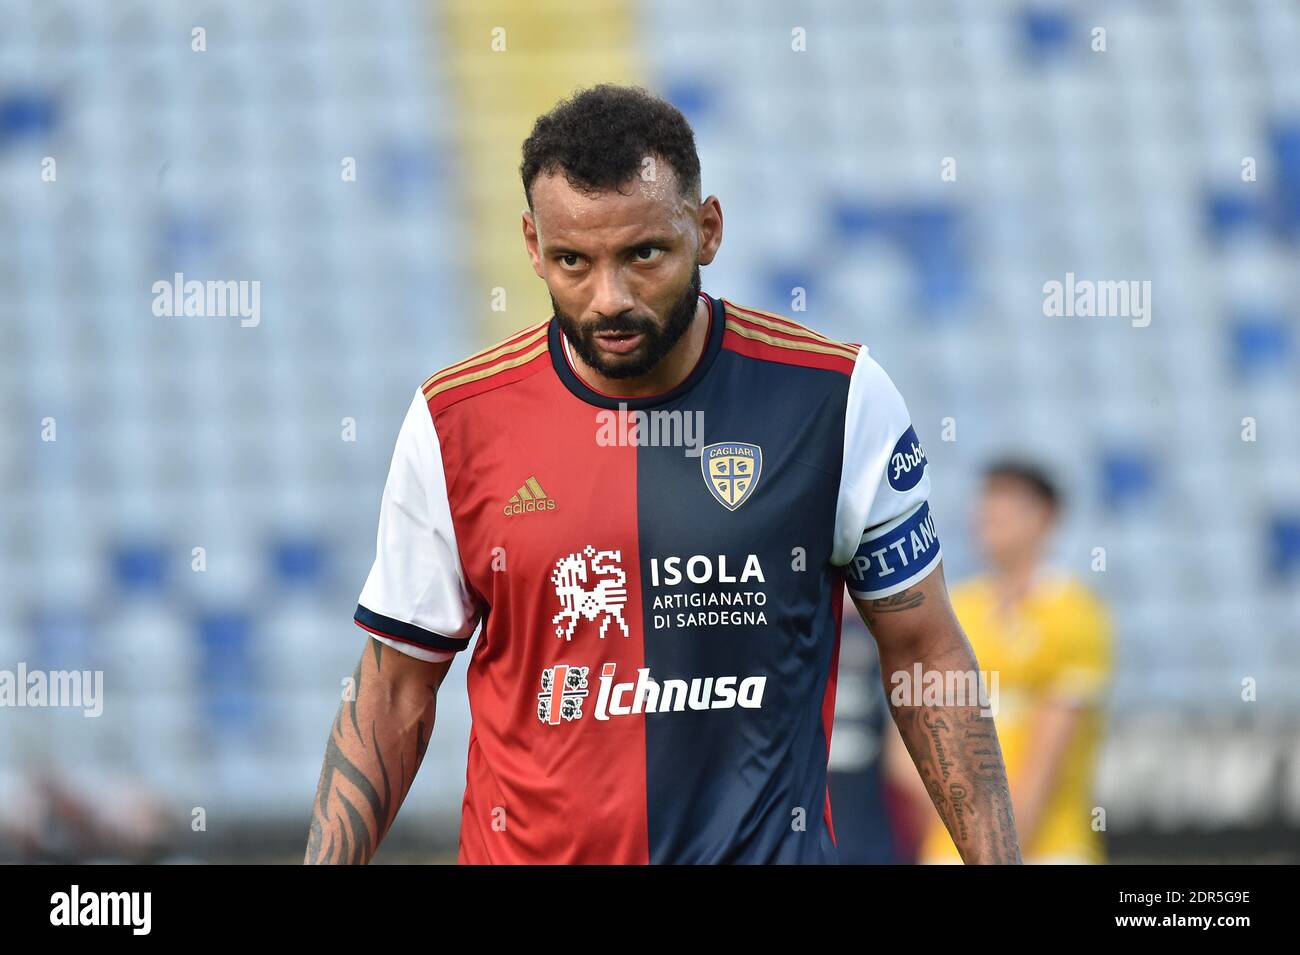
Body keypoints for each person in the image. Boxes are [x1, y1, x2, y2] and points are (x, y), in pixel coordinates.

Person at [305, 84, 1020, 864]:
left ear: (707, 229)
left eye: (644, 254)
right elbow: (395, 688)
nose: (609, 298)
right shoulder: (454, 422)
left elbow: (923, 650)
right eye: (574, 261)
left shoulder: (837, 399)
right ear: (533, 247)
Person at [909, 460, 1113, 864]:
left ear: (1045, 517)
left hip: (1048, 848)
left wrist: (999, 850)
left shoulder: (1073, 613)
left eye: (1006, 502)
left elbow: (1048, 756)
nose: (989, 513)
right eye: (987, 499)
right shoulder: (954, 609)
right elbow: (910, 745)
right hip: (950, 850)